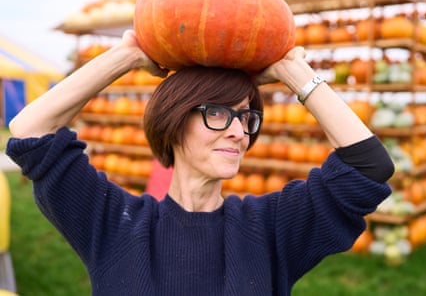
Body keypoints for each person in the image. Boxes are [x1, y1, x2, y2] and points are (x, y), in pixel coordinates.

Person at [6, 30, 394, 296]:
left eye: (245, 117)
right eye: (219, 113)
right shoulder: (112, 222)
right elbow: (30, 130)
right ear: (174, 122)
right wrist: (128, 56)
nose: (239, 132)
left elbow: (368, 167)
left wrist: (292, 72)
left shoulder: (271, 228)